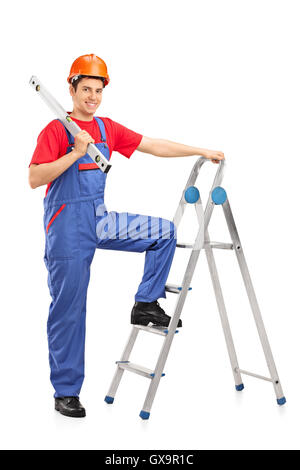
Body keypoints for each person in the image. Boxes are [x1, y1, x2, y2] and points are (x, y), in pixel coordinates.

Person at [29, 54, 224, 418]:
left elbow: (154, 145)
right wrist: (76, 152)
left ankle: (145, 304)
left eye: (98, 90)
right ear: (71, 89)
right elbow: (35, 178)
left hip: (100, 219)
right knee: (69, 311)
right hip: (67, 230)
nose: (92, 97)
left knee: (164, 233)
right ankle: (66, 392)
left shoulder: (106, 129)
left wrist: (199, 150)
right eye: (85, 89)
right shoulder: (56, 130)